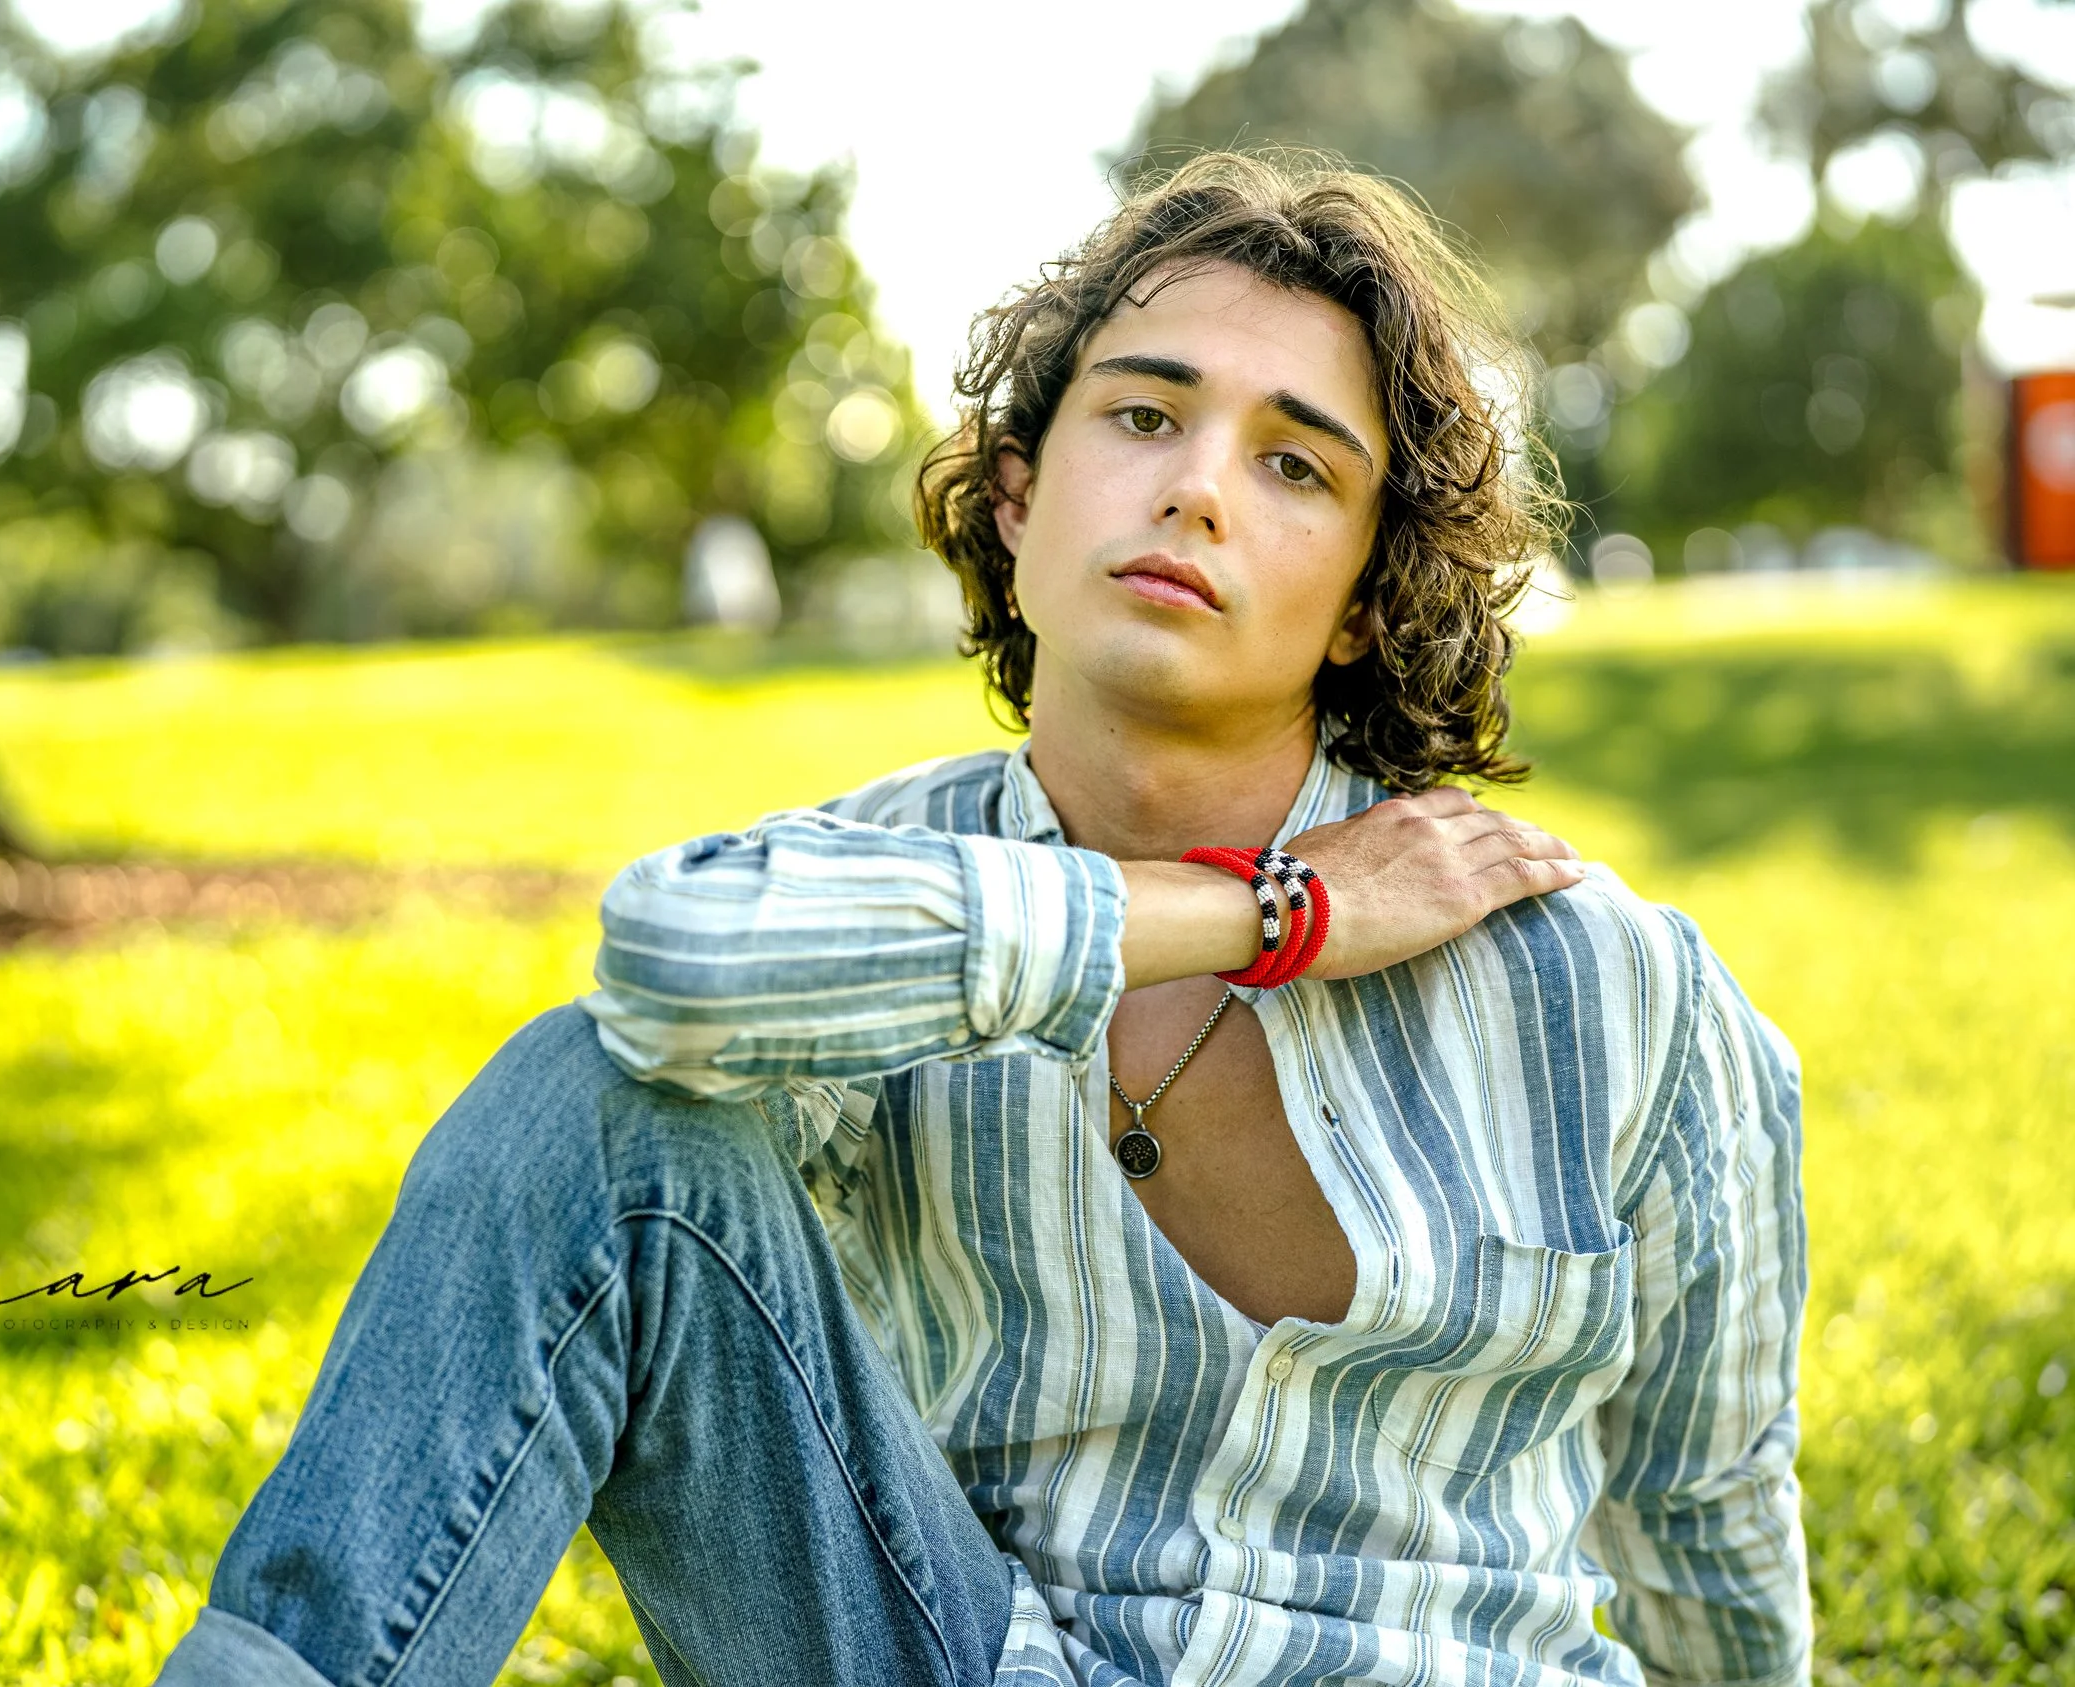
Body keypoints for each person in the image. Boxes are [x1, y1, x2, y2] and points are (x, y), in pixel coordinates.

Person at [152, 152, 1807, 1687]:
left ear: (1373, 597)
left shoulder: (1605, 986)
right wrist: (1268, 917)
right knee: (592, 1107)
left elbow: (1707, 1519)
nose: (1201, 492)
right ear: (1018, 501)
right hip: (979, 1651)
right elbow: (663, 976)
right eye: (1145, 419)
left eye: (1295, 461)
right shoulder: (894, 883)